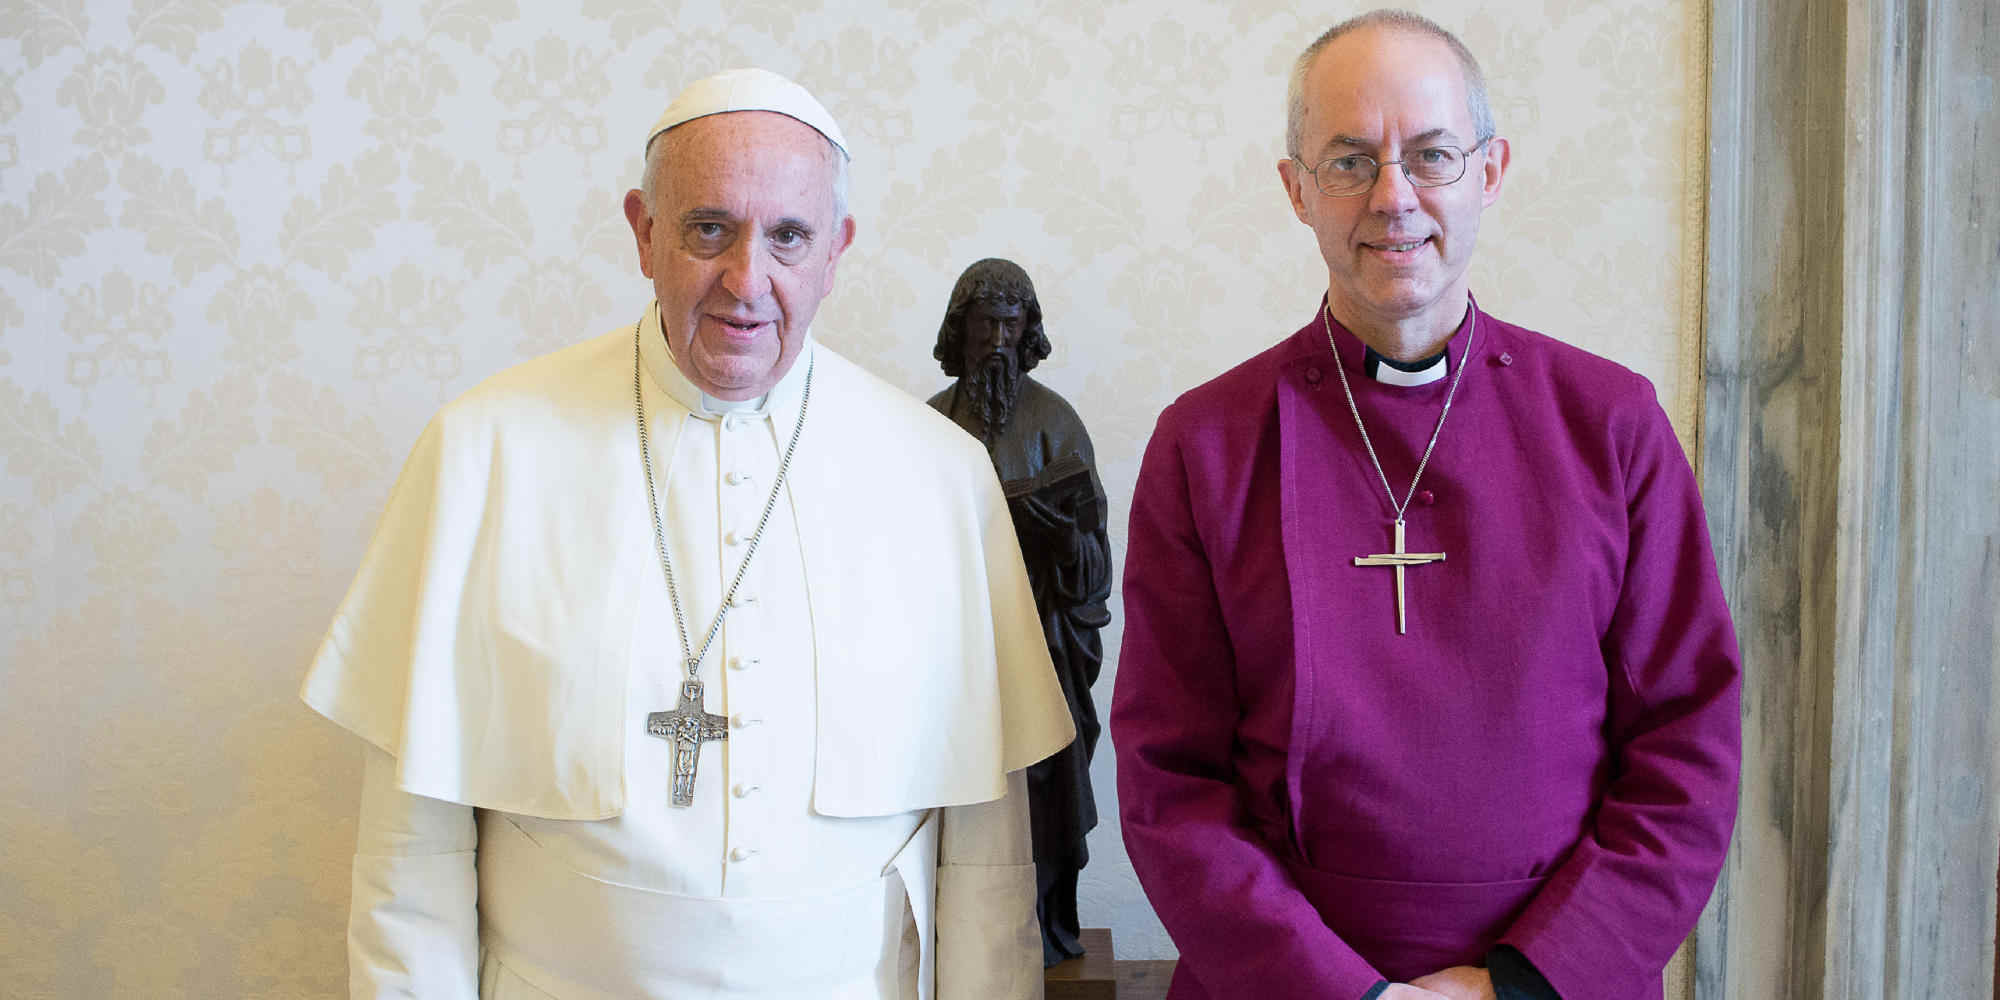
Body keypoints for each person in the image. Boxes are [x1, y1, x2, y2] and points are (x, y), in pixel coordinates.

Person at [302, 68, 1074, 1000]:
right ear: (643, 232)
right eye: (709, 228)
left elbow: (985, 870)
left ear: (837, 249)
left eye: (789, 236)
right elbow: (409, 856)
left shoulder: (941, 478)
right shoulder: (484, 452)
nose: (747, 282)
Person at [1110, 11, 1741, 1000]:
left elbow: (1686, 743)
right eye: (1350, 160)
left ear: (1489, 172)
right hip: (1279, 979)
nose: (1392, 198)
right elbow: (1168, 778)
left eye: (1431, 155)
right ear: (1296, 190)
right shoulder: (1205, 444)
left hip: (1560, 974)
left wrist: (1519, 982)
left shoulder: (1610, 424)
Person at [926, 259, 1112, 967]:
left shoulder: (1057, 425)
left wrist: (1061, 537)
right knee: (952, 801)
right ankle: (954, 939)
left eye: (1011, 324)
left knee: (1043, 796)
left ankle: (1045, 927)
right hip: (950, 656)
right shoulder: (932, 423)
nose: (998, 339)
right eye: (985, 324)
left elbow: (1095, 568)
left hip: (1042, 645)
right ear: (962, 330)